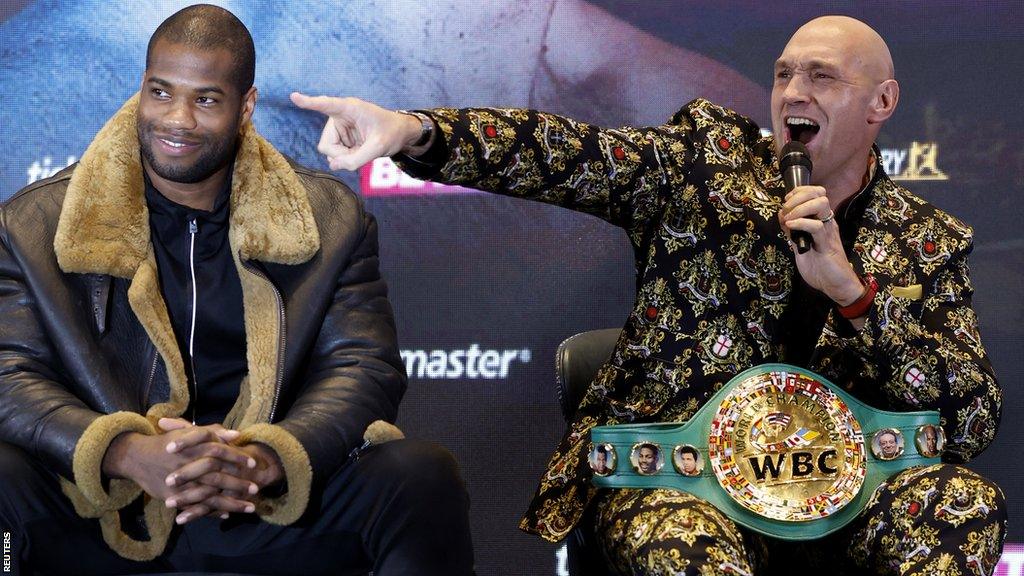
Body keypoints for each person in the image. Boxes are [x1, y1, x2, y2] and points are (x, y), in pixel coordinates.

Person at [293, 14, 1005, 576]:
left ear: (883, 102)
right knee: (683, 544)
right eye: (785, 74)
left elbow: (969, 420)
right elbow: (562, 152)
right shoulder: (703, 167)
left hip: (847, 493)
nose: (794, 93)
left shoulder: (926, 239)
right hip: (688, 484)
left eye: (823, 77)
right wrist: (415, 130)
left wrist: (853, 296)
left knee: (963, 504)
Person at [0, 5, 473, 575]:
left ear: (245, 106)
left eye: (205, 99)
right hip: (106, 512)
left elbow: (362, 366)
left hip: (266, 507)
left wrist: (264, 460)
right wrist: (124, 452)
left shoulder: (327, 218)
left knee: (417, 476)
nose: (176, 119)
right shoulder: (36, 223)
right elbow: (9, 374)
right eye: (160, 91)